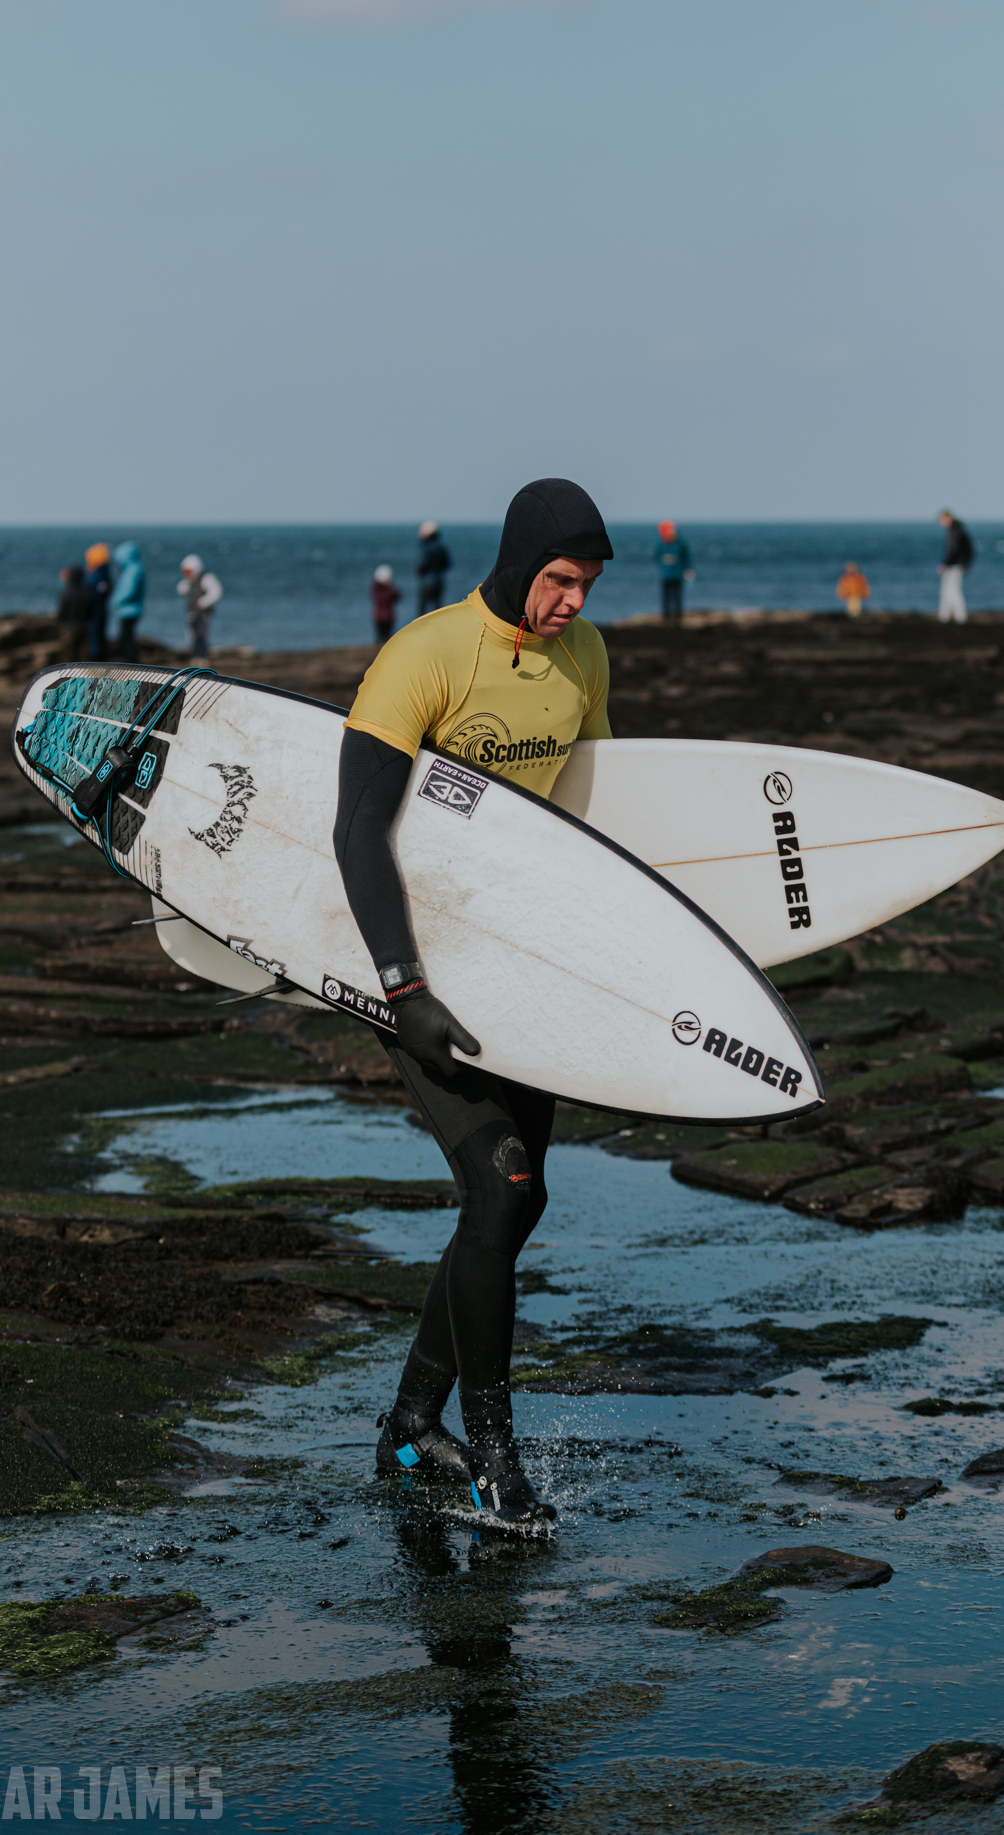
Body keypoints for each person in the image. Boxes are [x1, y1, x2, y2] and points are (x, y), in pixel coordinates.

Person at [334, 477, 613, 1533]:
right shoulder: (426, 656)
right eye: (557, 580)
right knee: (497, 1187)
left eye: (583, 586)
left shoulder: (584, 659)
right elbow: (360, 829)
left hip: (517, 960)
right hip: (408, 962)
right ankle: (495, 1455)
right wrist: (402, 987)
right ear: (515, 561)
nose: (572, 604)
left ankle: (411, 1423)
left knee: (522, 1198)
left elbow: (595, 821)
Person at [178, 555, 223, 659]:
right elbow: (180, 589)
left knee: (201, 635)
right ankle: (195, 657)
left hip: (204, 613)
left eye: (188, 572)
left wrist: (204, 601)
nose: (186, 575)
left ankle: (202, 658)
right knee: (191, 636)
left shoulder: (206, 578)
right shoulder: (188, 582)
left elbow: (216, 592)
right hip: (191, 612)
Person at [110, 542, 147, 664]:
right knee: (127, 639)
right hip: (129, 610)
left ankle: (131, 664)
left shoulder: (133, 570)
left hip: (129, 610)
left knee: (127, 640)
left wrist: (115, 600)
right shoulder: (133, 568)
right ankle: (130, 662)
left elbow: (128, 591)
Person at [937, 510, 974, 625]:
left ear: (948, 518)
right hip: (959, 564)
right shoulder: (959, 529)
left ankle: (958, 617)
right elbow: (969, 549)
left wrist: (945, 564)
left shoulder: (955, 531)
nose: (941, 523)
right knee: (948, 590)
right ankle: (947, 616)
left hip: (956, 566)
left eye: (942, 520)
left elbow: (953, 550)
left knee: (951, 590)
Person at [654, 520, 694, 622]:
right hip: (665, 575)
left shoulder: (680, 543)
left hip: (677, 575)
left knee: (677, 597)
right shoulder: (660, 544)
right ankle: (666, 616)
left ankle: (677, 616)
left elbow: (686, 557)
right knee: (666, 597)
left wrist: (688, 569)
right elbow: (656, 557)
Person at [415, 522, 453, 616]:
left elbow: (423, 565)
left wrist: (419, 571)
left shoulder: (426, 547)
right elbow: (447, 564)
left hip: (427, 582)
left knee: (422, 611)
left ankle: (422, 629)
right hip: (439, 581)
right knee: (437, 609)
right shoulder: (441, 547)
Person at [83, 544, 112, 660]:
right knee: (100, 638)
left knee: (95, 640)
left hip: (94, 613)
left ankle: (95, 660)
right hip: (100, 611)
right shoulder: (105, 574)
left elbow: (91, 593)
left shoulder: (96, 575)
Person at [56, 565, 90, 662]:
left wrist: (61, 623)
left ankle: (67, 677)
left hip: (68, 628)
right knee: (83, 659)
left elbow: (61, 612)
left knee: (66, 658)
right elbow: (92, 611)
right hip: (84, 627)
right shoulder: (87, 593)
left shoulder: (66, 594)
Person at [370, 564, 402, 644]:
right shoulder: (389, 589)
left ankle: (378, 652)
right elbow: (397, 596)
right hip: (388, 616)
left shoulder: (375, 588)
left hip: (379, 615)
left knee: (380, 637)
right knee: (387, 638)